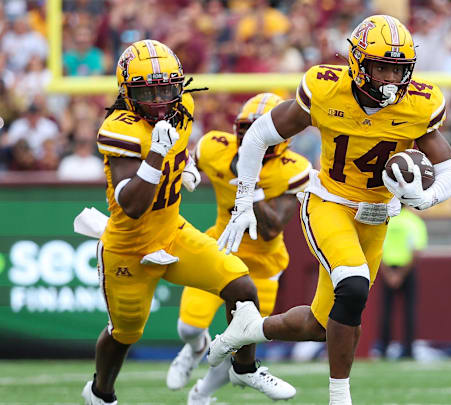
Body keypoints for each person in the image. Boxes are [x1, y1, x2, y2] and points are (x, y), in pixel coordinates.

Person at [209, 15, 451, 405]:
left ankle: (249, 328)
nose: (391, 78)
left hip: (376, 216)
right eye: (382, 67)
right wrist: (245, 198)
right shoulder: (326, 90)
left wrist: (425, 199)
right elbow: (258, 134)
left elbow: (449, 171)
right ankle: (340, 397)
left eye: (399, 68)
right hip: (329, 202)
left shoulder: (419, 105)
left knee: (324, 323)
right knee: (354, 284)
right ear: (358, 63)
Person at [81, 40, 293, 405]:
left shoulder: (184, 106)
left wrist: (186, 167)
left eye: (167, 87)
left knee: (241, 286)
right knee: (124, 333)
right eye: (149, 90)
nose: (161, 98)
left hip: (172, 232)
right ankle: (101, 394)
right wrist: (156, 156)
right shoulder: (121, 128)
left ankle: (244, 368)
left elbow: (180, 149)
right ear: (127, 94)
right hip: (128, 248)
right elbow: (131, 204)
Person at [166, 93, 310, 404]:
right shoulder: (215, 147)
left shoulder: (293, 168)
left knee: (240, 343)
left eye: (258, 129)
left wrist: (251, 186)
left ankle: (201, 394)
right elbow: (190, 158)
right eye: (244, 128)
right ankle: (194, 347)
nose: (249, 136)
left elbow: (272, 227)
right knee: (188, 327)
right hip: (219, 249)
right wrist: (186, 168)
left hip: (262, 265)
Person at [376, 206, 427, 359]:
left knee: (386, 312)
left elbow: (377, 249)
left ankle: (383, 349)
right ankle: (409, 350)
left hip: (387, 269)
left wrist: (390, 274)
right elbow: (416, 251)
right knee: (409, 311)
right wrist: (401, 275)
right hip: (407, 270)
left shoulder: (386, 221)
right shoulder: (414, 221)